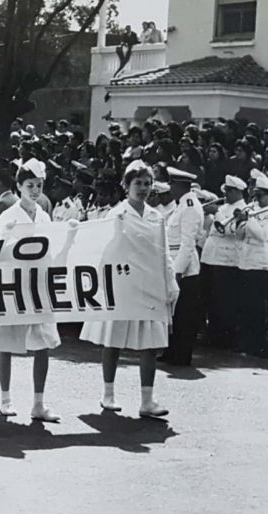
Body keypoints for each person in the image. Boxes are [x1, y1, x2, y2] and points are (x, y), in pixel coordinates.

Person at [80, 162, 179, 417]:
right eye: (139, 184)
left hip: (151, 285)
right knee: (113, 340)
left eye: (147, 184)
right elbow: (102, 249)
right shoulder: (116, 214)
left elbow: (164, 253)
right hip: (123, 284)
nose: (144, 189)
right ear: (127, 185)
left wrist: (171, 283)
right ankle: (108, 395)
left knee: (151, 343)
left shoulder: (157, 216)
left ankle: (147, 401)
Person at [0, 158, 61, 422]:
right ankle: (5, 400)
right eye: (30, 185)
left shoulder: (45, 215)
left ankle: (39, 403)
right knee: (7, 344)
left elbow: (51, 250)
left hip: (38, 286)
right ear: (18, 186)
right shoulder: (8, 216)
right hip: (13, 285)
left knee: (43, 344)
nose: (35, 191)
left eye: (39, 185)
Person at [157, 168, 204, 366]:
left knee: (184, 314)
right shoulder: (181, 206)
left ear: (180, 185)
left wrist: (178, 270)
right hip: (174, 264)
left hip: (186, 270)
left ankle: (182, 354)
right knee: (174, 312)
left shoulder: (190, 207)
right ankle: (172, 350)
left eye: (172, 185)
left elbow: (188, 242)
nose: (170, 190)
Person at [200, 175, 248, 350]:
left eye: (228, 191)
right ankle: (212, 334)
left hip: (227, 260)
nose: (225, 194)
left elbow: (232, 231)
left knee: (225, 301)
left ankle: (224, 339)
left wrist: (217, 213)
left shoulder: (243, 208)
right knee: (212, 299)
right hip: (211, 256)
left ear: (237, 192)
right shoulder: (225, 206)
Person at [235, 176, 268, 356]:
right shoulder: (252, 211)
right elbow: (239, 236)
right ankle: (246, 341)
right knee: (245, 305)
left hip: (260, 263)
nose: (257, 200)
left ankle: (257, 344)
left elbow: (262, 236)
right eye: (256, 195)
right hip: (245, 260)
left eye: (261, 196)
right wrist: (240, 222)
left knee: (257, 307)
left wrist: (249, 220)